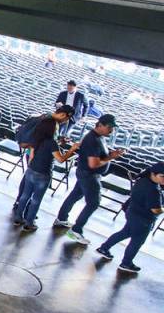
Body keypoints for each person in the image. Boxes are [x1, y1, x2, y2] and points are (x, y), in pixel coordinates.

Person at [54, 114, 125, 245]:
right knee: (93, 203)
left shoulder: (98, 137)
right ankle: (76, 229)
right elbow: (94, 164)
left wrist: (109, 154)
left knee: (74, 196)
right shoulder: (93, 140)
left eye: (113, 128)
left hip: (84, 173)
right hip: (89, 175)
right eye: (109, 127)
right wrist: (111, 157)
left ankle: (61, 218)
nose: (112, 130)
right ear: (100, 125)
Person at [13, 106, 75, 231]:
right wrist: (72, 151)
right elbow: (60, 159)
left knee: (25, 194)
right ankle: (29, 222)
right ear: (63, 115)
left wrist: (31, 166)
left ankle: (18, 217)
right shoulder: (51, 137)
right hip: (43, 172)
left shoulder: (41, 125)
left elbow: (32, 154)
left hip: (32, 168)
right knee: (36, 199)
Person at [95, 162, 164, 273]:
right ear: (153, 174)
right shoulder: (153, 190)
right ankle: (126, 263)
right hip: (143, 219)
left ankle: (104, 248)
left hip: (132, 212)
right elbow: (156, 210)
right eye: (162, 176)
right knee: (137, 242)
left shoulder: (142, 180)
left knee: (124, 233)